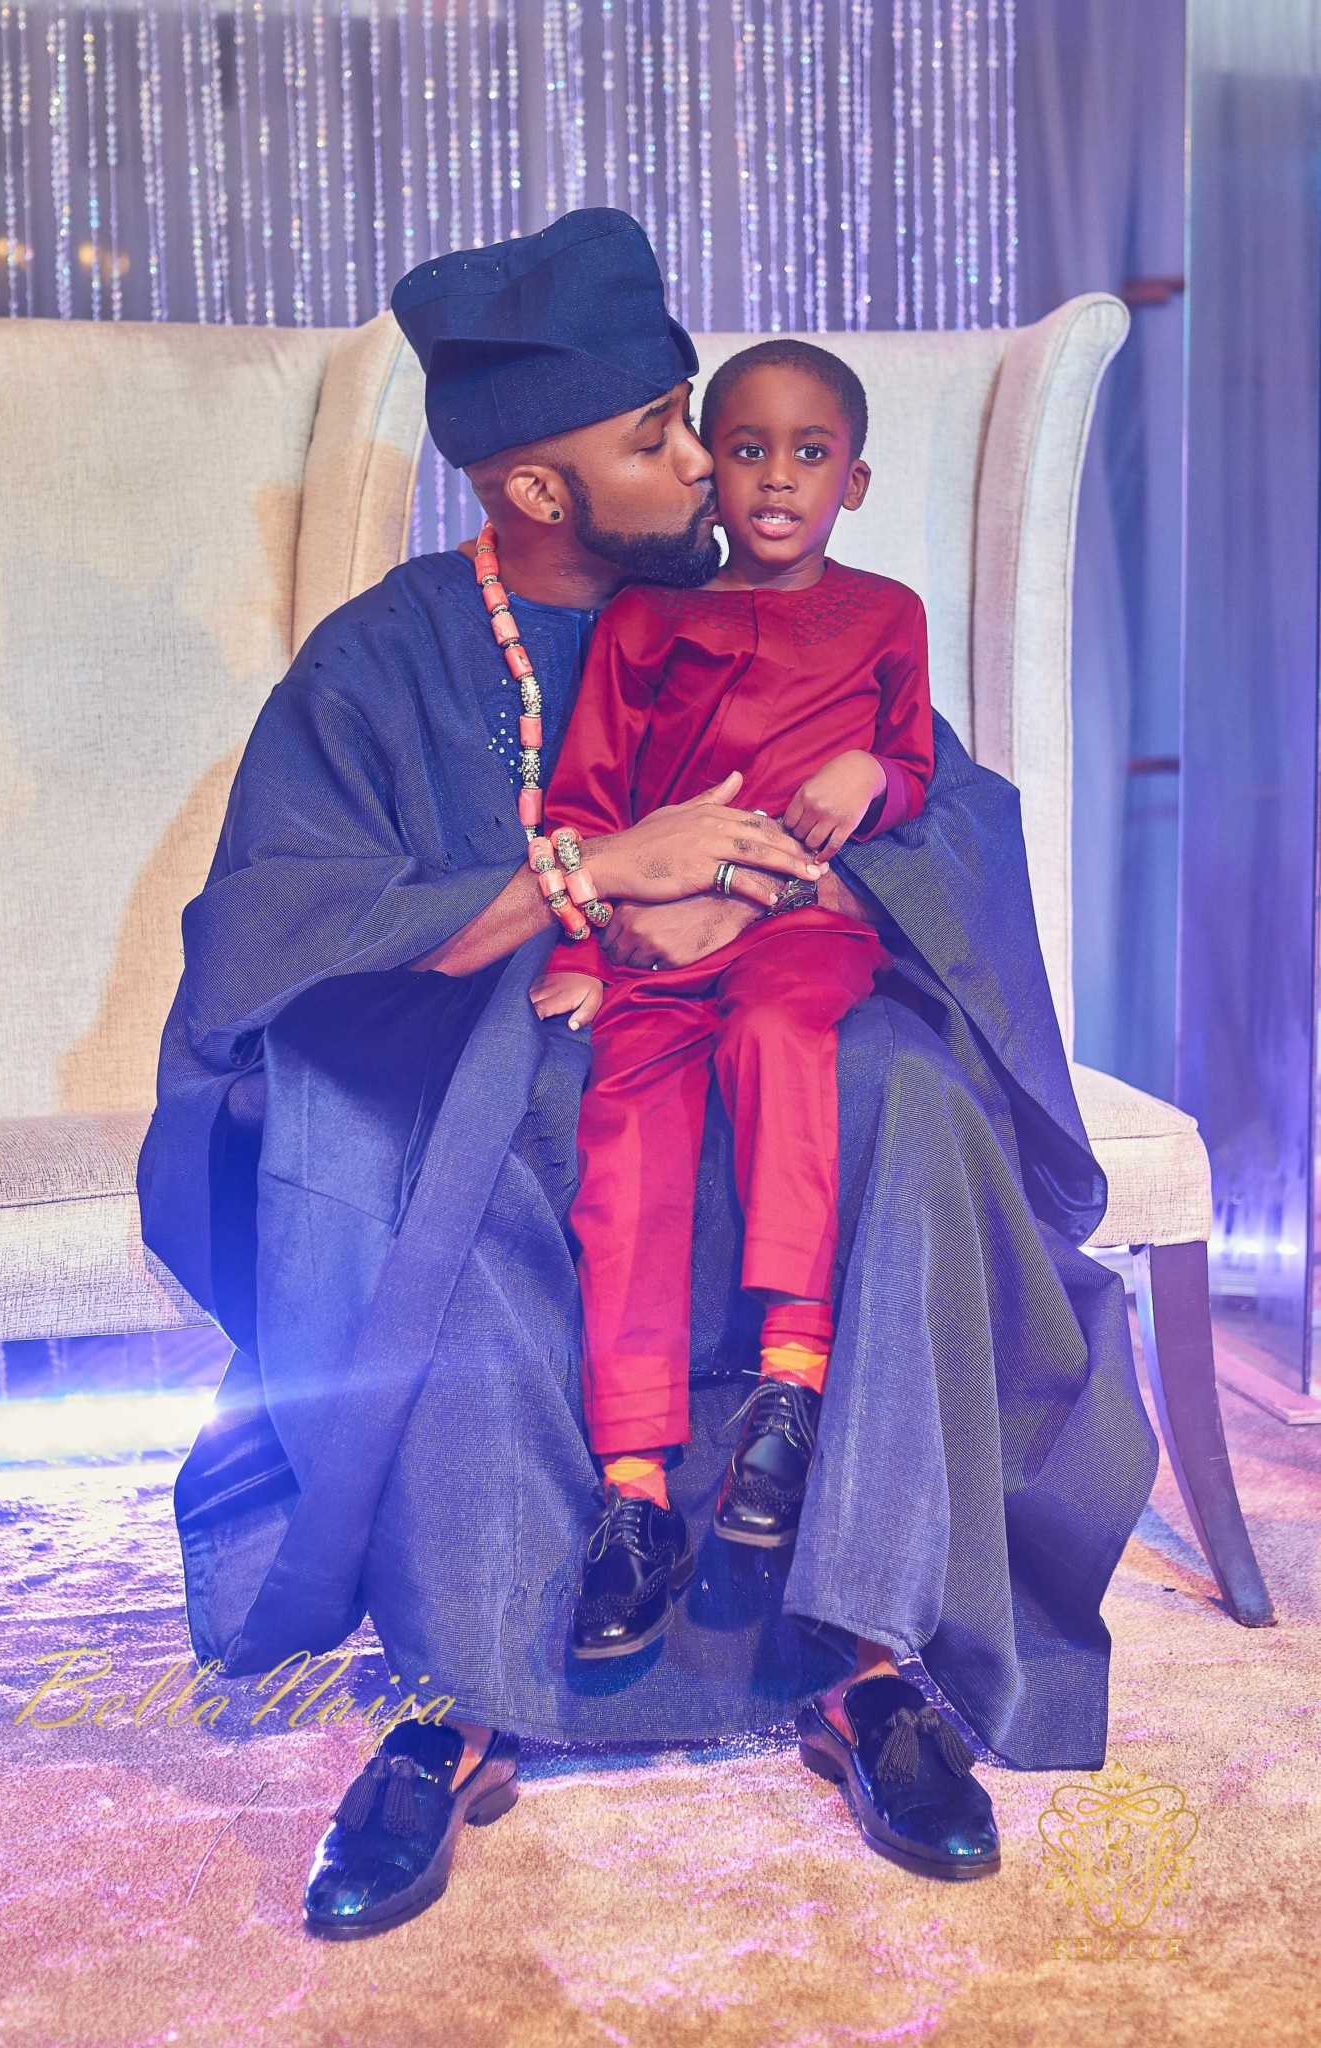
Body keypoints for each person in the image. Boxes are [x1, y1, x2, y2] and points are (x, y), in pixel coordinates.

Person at [138, 209, 1158, 1938]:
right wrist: (593, 880)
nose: (707, 464)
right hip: (495, 1054)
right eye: (657, 438)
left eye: (699, 423)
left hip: (768, 1014)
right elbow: (277, 928)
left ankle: (859, 1649)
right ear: (540, 489)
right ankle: (462, 1689)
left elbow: (944, 827)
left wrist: (780, 881)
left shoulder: (781, 609)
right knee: (440, 1149)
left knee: (908, 1096)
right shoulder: (383, 660)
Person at [529, 338, 934, 1674]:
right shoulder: (644, 623)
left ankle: (789, 1390)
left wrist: (872, 775)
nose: (776, 478)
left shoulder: (885, 614)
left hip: (800, 929)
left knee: (780, 1036)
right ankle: (634, 1491)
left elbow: (919, 771)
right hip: (656, 942)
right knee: (622, 1129)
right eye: (747, 449)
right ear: (709, 470)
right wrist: (585, 948)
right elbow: (584, 801)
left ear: (853, 482)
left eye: (809, 454)